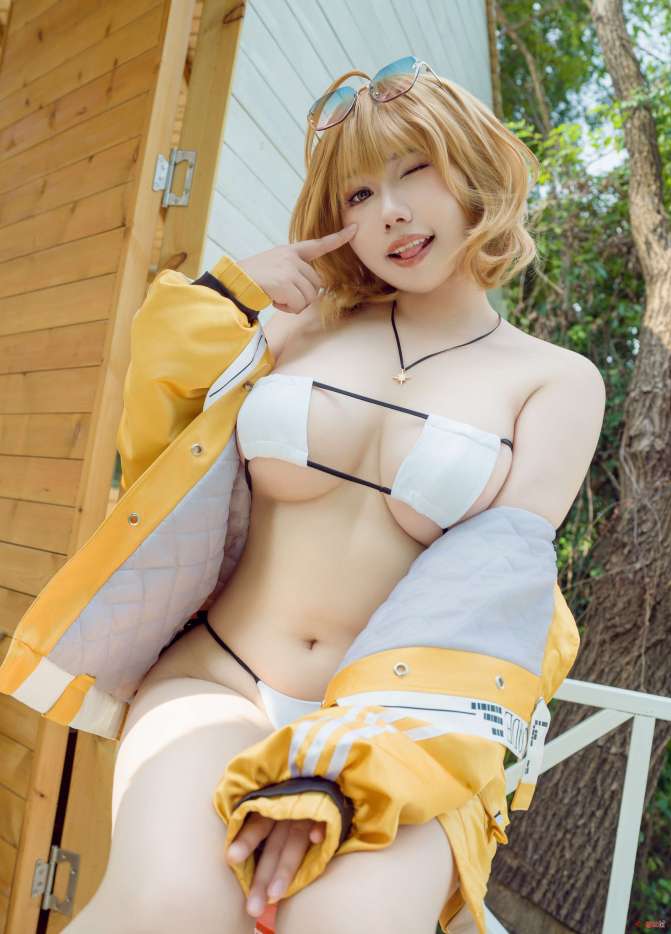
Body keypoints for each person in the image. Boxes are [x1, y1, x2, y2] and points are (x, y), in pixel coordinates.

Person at [11, 58, 605, 934]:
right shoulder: (297, 322)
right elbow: (155, 444)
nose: (389, 211)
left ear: (476, 171)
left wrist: (351, 765)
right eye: (358, 194)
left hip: (399, 728)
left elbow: (492, 593)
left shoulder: (555, 381)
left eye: (413, 170)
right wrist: (228, 296)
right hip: (220, 676)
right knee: (172, 904)